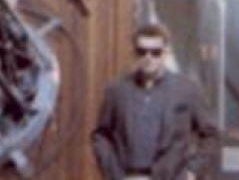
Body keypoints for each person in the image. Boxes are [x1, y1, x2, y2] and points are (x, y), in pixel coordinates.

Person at [92, 22, 219, 180]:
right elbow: (101, 136)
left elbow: (211, 135)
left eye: (155, 52)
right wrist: (113, 173)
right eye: (142, 52)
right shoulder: (117, 91)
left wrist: (191, 172)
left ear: (166, 52)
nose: (148, 57)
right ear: (134, 53)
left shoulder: (187, 90)